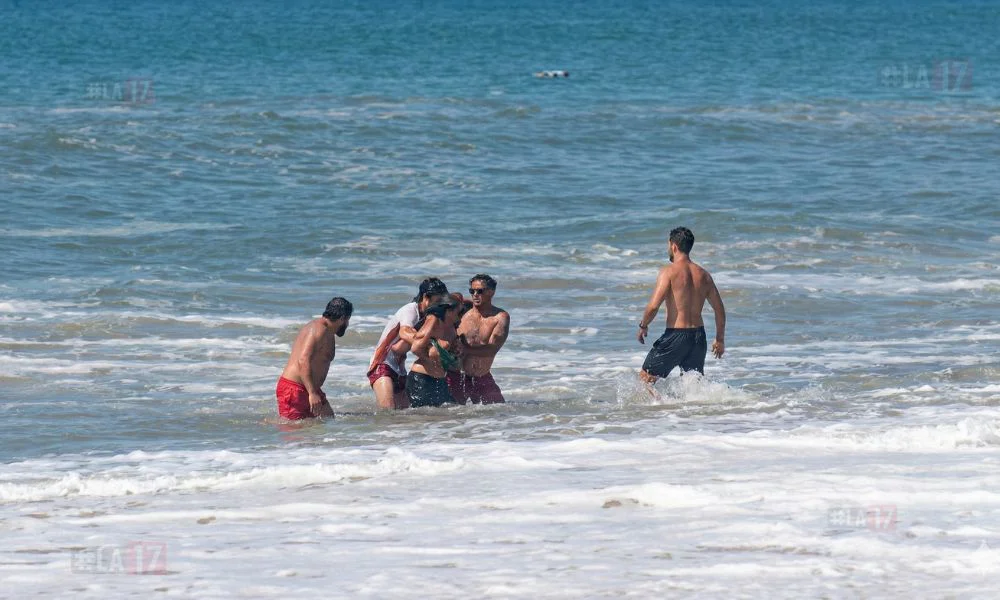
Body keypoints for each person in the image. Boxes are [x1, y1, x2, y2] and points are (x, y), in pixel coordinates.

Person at [637, 227, 726, 387]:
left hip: (676, 337)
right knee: (693, 388)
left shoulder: (669, 272)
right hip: (698, 338)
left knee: (644, 381)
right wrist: (719, 339)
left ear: (673, 246)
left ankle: (659, 409)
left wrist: (643, 325)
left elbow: (653, 306)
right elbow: (719, 310)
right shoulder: (704, 275)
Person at [368, 278, 448, 410]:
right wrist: (429, 346)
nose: (440, 305)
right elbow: (405, 332)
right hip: (382, 365)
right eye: (438, 301)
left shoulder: (427, 316)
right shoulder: (410, 310)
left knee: (403, 415)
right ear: (425, 297)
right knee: (387, 411)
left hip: (399, 369)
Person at [276, 297, 353, 420]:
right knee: (294, 433)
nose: (347, 325)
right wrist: (312, 393)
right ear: (342, 318)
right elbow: (303, 360)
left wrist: (313, 391)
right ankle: (262, 425)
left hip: (310, 387)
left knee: (328, 420)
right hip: (295, 389)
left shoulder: (328, 331)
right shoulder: (318, 330)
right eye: (348, 320)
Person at [450, 274, 509, 404]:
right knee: (450, 417)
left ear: (491, 292)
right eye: (472, 291)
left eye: (480, 291)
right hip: (458, 376)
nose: (475, 294)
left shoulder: (500, 317)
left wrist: (465, 349)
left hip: (482, 376)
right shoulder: (462, 311)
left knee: (501, 413)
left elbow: (491, 349)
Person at [407, 294, 466, 408]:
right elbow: (415, 348)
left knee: (448, 417)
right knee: (423, 420)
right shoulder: (434, 321)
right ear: (448, 311)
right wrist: (432, 356)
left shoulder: (452, 326)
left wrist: (456, 348)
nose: (461, 315)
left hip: (441, 381)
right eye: (458, 312)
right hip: (422, 379)